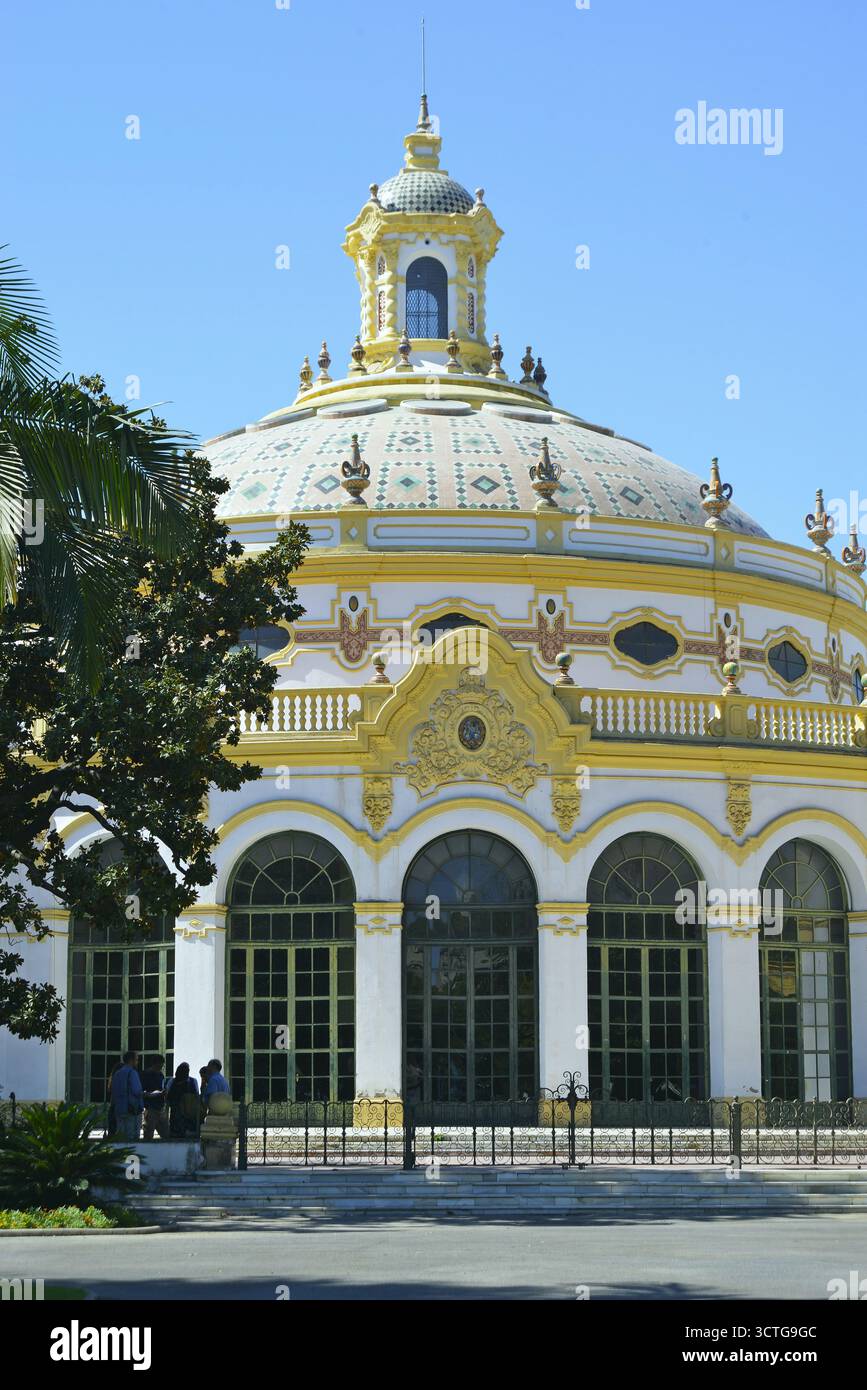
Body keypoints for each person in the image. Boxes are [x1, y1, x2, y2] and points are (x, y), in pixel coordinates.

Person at [110, 1050, 143, 1141]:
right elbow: (136, 1091)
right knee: (132, 1138)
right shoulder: (132, 1073)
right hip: (132, 1110)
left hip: (119, 1109)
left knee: (120, 1136)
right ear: (131, 1060)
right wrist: (145, 1094)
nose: (137, 1062)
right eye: (136, 1060)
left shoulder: (117, 1073)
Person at [166, 1062, 200, 1138]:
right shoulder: (192, 1081)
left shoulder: (172, 1081)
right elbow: (197, 1096)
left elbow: (167, 1095)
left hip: (185, 1111)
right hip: (182, 1111)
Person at [140, 1054, 168, 1140]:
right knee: (148, 1135)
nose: (161, 1067)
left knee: (166, 1134)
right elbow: (142, 1092)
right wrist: (156, 1093)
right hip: (150, 1108)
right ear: (155, 1064)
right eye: (160, 1065)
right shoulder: (146, 1074)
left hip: (160, 1108)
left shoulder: (160, 1075)